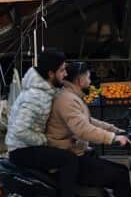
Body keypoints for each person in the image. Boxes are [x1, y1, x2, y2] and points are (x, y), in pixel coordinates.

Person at [46, 62, 131, 197]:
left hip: (78, 152)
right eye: (88, 77)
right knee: (120, 174)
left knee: (116, 170)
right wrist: (113, 138)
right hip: (72, 156)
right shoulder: (67, 99)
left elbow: (89, 121)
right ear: (80, 81)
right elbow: (83, 129)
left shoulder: (72, 96)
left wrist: (116, 131)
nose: (90, 81)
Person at [6, 49, 80, 197]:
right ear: (51, 74)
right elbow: (20, 130)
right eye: (62, 70)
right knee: (69, 160)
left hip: (29, 146)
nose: (65, 74)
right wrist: (44, 140)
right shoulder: (35, 97)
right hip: (22, 150)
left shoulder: (47, 91)